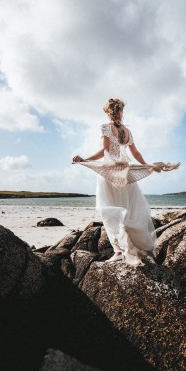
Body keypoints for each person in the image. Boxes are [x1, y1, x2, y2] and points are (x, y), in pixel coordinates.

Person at [72, 98, 157, 265]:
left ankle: (119, 250)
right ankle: (131, 248)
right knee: (128, 209)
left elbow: (104, 151)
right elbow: (136, 154)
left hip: (110, 173)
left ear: (107, 111)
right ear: (121, 111)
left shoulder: (106, 127)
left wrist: (84, 159)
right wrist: (147, 165)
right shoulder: (128, 132)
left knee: (108, 210)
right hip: (124, 173)